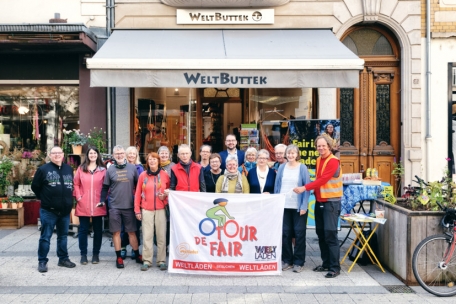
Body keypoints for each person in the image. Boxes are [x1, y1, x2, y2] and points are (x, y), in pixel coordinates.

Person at [293, 135, 343, 278]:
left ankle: (335, 267)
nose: (321, 148)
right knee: (321, 234)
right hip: (320, 201)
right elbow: (318, 179)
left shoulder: (333, 161)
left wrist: (305, 188)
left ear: (329, 146)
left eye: (323, 146)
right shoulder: (319, 160)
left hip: (331, 202)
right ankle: (326, 263)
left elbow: (322, 180)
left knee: (330, 234)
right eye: (318, 146)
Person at [32, 146, 76, 273]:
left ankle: (63, 259)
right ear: (50, 155)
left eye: (59, 153)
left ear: (63, 155)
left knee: (63, 236)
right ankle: (42, 261)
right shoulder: (43, 169)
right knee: (46, 237)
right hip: (49, 211)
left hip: (65, 211)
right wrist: (45, 198)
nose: (57, 155)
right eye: (54, 153)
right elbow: (35, 186)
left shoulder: (68, 169)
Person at [99, 145, 142, 268]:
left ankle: (137, 253)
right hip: (114, 206)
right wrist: (102, 200)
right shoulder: (110, 169)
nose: (119, 155)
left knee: (131, 232)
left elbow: (138, 187)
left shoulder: (132, 168)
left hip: (129, 205)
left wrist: (139, 203)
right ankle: (118, 257)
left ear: (124, 154)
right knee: (116, 232)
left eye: (121, 153)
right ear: (113, 155)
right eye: (116, 154)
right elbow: (105, 187)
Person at [274, 144, 311, 273]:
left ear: (297, 155)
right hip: (284, 205)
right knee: (285, 234)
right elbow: (277, 186)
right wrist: (277, 202)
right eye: (288, 153)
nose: (290, 155)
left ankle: (299, 262)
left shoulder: (302, 168)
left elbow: (307, 188)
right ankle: (287, 260)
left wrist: (304, 206)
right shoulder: (282, 167)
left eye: (293, 153)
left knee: (299, 234)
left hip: (298, 207)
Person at [134, 152, 170, 271]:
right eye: (150, 159)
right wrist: (137, 210)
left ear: (158, 161)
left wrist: (165, 198)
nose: (152, 161)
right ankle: (147, 260)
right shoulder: (143, 175)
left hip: (160, 209)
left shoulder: (164, 175)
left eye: (154, 159)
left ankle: (161, 260)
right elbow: (138, 193)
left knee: (161, 236)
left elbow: (170, 191)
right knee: (147, 236)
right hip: (146, 209)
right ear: (147, 161)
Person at [73, 147, 107, 265]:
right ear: (87, 155)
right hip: (84, 203)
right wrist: (78, 197)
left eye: (94, 153)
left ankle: (95, 254)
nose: (92, 155)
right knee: (83, 230)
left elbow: (106, 187)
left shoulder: (103, 170)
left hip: (98, 204)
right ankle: (83, 255)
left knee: (98, 230)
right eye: (90, 153)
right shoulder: (81, 169)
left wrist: (104, 199)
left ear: (98, 155)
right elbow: (76, 183)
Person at [120, 146, 144, 260]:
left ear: (136, 155)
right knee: (124, 226)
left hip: (136, 200)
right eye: (129, 153)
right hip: (124, 199)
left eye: (134, 154)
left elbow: (143, 185)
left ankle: (136, 249)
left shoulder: (140, 168)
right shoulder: (120, 167)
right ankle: (123, 247)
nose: (131, 156)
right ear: (126, 155)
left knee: (136, 226)